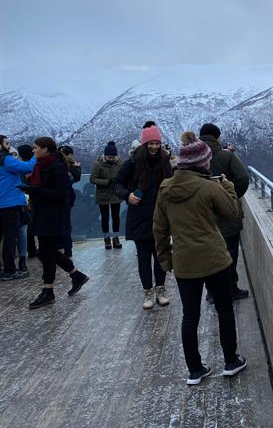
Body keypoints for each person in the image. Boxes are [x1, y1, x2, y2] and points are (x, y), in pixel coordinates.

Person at [154, 131, 246, 385]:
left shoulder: (165, 190)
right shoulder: (209, 186)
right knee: (225, 309)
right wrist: (225, 185)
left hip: (184, 262)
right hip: (215, 259)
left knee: (190, 316)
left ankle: (195, 370)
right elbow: (231, 212)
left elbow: (159, 229)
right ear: (201, 163)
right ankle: (230, 361)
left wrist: (166, 259)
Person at [22, 137, 89, 309]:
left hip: (52, 216)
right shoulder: (40, 166)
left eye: (36, 148)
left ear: (45, 149)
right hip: (43, 214)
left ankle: (48, 290)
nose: (33, 151)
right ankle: (76, 275)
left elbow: (61, 194)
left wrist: (34, 190)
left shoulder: (56, 168)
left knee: (45, 252)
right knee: (47, 250)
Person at [114, 124, 173, 309]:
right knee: (144, 258)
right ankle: (148, 292)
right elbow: (117, 184)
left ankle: (161, 290)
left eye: (157, 143)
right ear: (144, 143)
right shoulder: (133, 162)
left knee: (161, 256)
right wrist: (127, 195)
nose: (154, 147)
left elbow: (171, 182)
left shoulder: (165, 161)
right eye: (151, 143)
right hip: (139, 216)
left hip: (161, 215)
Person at [199, 123, 250, 301]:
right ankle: (230, 289)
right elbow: (243, 178)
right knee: (230, 252)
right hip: (227, 215)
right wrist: (232, 197)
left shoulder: (194, 157)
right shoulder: (226, 156)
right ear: (217, 137)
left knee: (207, 253)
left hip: (202, 215)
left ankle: (212, 292)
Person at [0, 135, 37, 280]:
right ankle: (10, 270)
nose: (9, 146)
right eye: (7, 143)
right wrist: (35, 155)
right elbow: (27, 167)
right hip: (9, 204)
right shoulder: (5, 159)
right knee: (10, 237)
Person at [90, 141, 124, 249]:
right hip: (102, 194)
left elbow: (123, 176)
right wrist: (106, 182)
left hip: (115, 194)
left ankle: (116, 238)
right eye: (109, 157)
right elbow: (92, 179)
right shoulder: (98, 164)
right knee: (105, 218)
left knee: (116, 217)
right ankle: (106, 239)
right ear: (105, 156)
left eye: (113, 157)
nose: (111, 159)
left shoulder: (119, 163)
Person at [57, 144, 81, 258]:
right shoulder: (69, 165)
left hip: (59, 197)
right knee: (66, 224)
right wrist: (76, 167)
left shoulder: (56, 164)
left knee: (60, 223)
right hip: (67, 197)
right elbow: (76, 178)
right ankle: (67, 249)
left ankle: (60, 246)